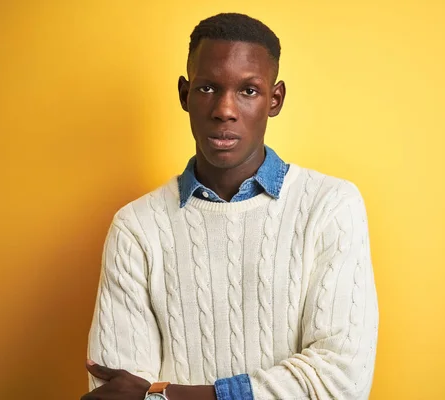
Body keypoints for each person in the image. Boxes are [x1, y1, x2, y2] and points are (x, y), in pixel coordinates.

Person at [82, 12, 378, 400]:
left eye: (248, 91)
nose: (224, 109)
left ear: (275, 99)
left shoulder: (330, 207)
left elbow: (341, 382)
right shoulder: (136, 227)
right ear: (184, 95)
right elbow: (117, 393)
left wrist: (168, 396)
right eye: (207, 89)